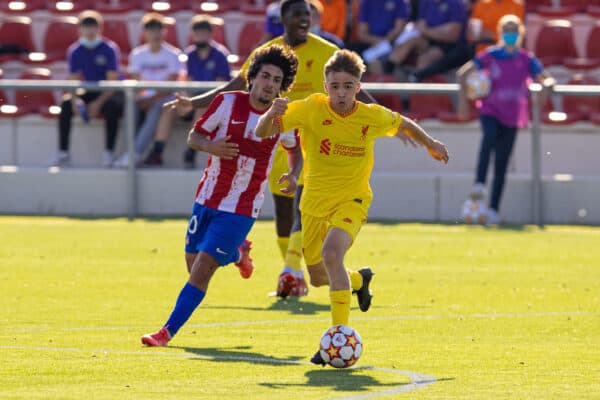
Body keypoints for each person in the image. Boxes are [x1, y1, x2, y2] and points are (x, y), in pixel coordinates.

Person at [254, 49, 449, 364]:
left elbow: (404, 123)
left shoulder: (370, 116)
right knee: (318, 277)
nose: (341, 93)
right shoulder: (310, 109)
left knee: (333, 254)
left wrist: (432, 144)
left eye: (348, 86)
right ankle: (359, 280)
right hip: (314, 204)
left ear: (358, 86)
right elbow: (262, 132)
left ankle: (338, 335)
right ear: (325, 85)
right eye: (335, 86)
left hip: (353, 200)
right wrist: (271, 112)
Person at [164, 0, 366, 299]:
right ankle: (293, 271)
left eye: (307, 15)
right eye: (297, 14)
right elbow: (236, 83)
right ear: (282, 18)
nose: (304, 19)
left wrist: (384, 119)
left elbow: (353, 86)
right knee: (284, 210)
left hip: (313, 144)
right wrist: (193, 103)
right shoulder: (267, 53)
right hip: (272, 141)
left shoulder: (325, 51)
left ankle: (290, 270)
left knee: (302, 204)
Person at [141, 45, 302, 347]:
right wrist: (211, 147)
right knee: (193, 264)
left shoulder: (283, 117)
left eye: (277, 80)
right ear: (252, 77)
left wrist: (293, 176)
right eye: (265, 76)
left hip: (241, 207)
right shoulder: (227, 102)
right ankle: (238, 254)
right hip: (206, 198)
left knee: (201, 271)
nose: (269, 83)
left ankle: (166, 332)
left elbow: (296, 153)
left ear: (282, 87)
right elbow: (194, 136)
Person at [456, 14, 555, 224]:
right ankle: (479, 183)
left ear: (520, 33)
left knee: (502, 161)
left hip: (512, 115)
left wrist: (547, 85)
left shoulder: (526, 58)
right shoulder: (490, 55)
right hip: (491, 109)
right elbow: (463, 73)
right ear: (501, 33)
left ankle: (493, 209)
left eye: (514, 30)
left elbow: (544, 76)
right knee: (488, 139)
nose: (510, 35)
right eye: (506, 30)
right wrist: (464, 101)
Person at [142, 15, 231, 168]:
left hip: (213, 104)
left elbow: (221, 86)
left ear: (210, 34)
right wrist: (186, 98)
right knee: (170, 108)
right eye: (197, 33)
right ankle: (157, 151)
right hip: (192, 100)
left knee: (201, 107)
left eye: (203, 32)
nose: (200, 36)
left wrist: (196, 100)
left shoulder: (220, 55)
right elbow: (184, 81)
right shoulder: (188, 55)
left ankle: (191, 151)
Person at [50, 10, 123, 167]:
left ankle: (108, 152)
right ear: (79, 29)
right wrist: (76, 101)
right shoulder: (75, 50)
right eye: (86, 27)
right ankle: (63, 152)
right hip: (89, 89)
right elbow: (73, 81)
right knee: (66, 104)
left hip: (109, 92)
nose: (90, 31)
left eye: (93, 26)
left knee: (113, 106)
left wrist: (98, 103)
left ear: (99, 29)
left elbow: (112, 83)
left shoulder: (109, 49)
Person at [113, 12, 182, 168]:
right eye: (151, 30)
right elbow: (138, 83)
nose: (155, 34)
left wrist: (151, 99)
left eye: (158, 30)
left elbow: (171, 86)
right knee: (130, 107)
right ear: (145, 33)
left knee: (158, 108)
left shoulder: (173, 54)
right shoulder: (137, 55)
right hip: (144, 98)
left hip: (164, 98)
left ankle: (134, 154)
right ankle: (129, 152)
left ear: (164, 32)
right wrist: (143, 98)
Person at [389, 0, 469, 82]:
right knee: (409, 42)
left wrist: (427, 30)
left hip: (451, 47)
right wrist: (440, 30)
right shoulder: (425, 2)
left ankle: (417, 89)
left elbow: (452, 36)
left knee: (424, 59)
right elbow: (420, 26)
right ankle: (387, 71)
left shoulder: (456, 3)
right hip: (429, 40)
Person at [353, 0, 409, 75]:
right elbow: (361, 34)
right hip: (371, 45)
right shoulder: (366, 3)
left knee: (379, 60)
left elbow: (399, 28)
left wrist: (385, 41)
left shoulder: (399, 2)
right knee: (370, 60)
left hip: (393, 44)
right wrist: (376, 41)